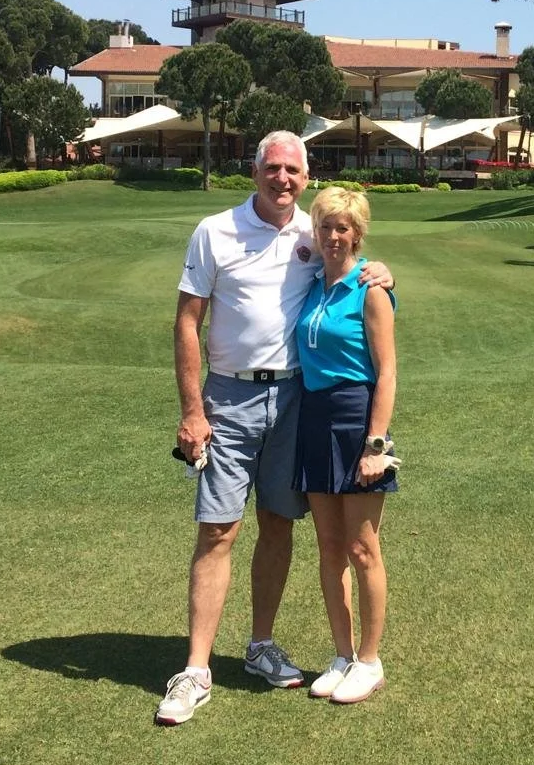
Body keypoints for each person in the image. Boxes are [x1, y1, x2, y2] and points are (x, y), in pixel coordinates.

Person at [155, 131, 390, 726]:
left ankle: (260, 646)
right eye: (272, 167)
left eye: (292, 169)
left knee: (278, 523)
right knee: (218, 530)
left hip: (294, 401)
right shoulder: (216, 231)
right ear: (254, 170)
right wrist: (192, 409)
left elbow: (352, 265)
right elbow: (188, 322)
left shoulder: (310, 238)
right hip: (229, 399)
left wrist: (381, 273)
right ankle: (197, 670)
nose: (281, 178)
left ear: (305, 178)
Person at [295, 187, 398, 705]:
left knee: (362, 548)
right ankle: (341, 654)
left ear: (357, 234)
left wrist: (376, 444)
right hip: (314, 420)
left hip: (357, 420)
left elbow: (387, 372)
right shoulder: (312, 286)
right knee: (330, 548)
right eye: (325, 227)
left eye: (343, 228)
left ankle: (370, 660)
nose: (333, 237)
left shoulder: (369, 289)